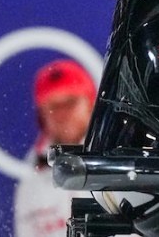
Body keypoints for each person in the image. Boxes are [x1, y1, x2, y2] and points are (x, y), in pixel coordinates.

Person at [13, 59, 97, 237]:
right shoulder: (31, 175)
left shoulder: (120, 157)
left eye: (70, 102)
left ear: (91, 104)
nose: (62, 113)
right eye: (53, 106)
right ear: (41, 115)